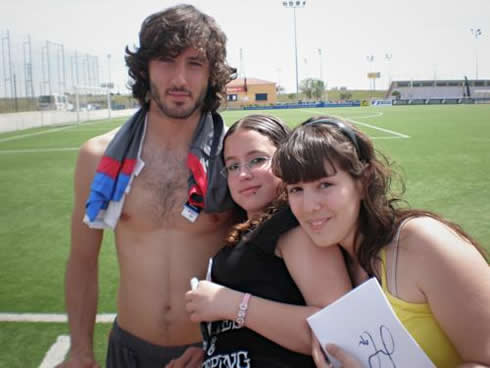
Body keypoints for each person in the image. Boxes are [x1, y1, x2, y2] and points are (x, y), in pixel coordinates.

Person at [59, 4, 237, 367]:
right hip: (129, 352)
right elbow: (82, 261)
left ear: (211, 74)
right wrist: (79, 349)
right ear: (145, 69)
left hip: (210, 352)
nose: (180, 80)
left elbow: (262, 261)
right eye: (166, 61)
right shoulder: (98, 158)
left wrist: (227, 344)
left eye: (195, 63)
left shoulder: (234, 158)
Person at [272, 116, 490, 367]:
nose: (309, 207)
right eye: (296, 189)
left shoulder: (420, 244)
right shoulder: (331, 266)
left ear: (363, 181)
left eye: (325, 185)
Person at [178, 114, 351, 367]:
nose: (243, 174)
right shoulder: (246, 230)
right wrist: (212, 350)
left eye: (257, 160)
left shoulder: (293, 227)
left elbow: (338, 330)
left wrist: (231, 304)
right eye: (233, 166)